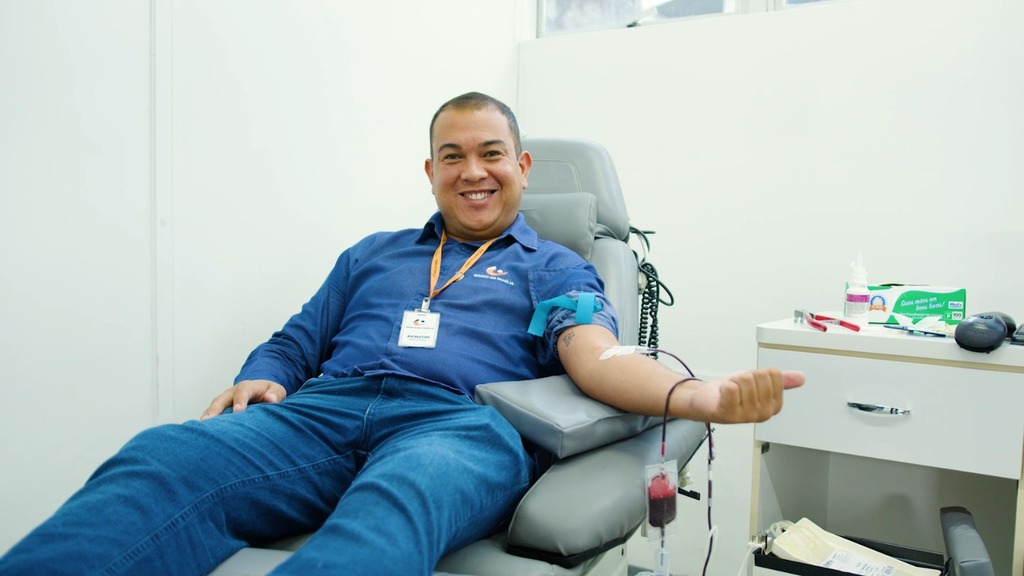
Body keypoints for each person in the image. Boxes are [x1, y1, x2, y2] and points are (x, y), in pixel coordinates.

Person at [0, 92, 804, 576]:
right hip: (317, 415)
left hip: (458, 425)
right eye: (451, 156)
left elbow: (592, 356)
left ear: (522, 166)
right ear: (429, 172)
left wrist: (697, 395)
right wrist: (264, 373)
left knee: (397, 499)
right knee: (164, 456)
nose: (473, 171)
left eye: (491, 154)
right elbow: (296, 339)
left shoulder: (552, 263)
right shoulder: (373, 255)